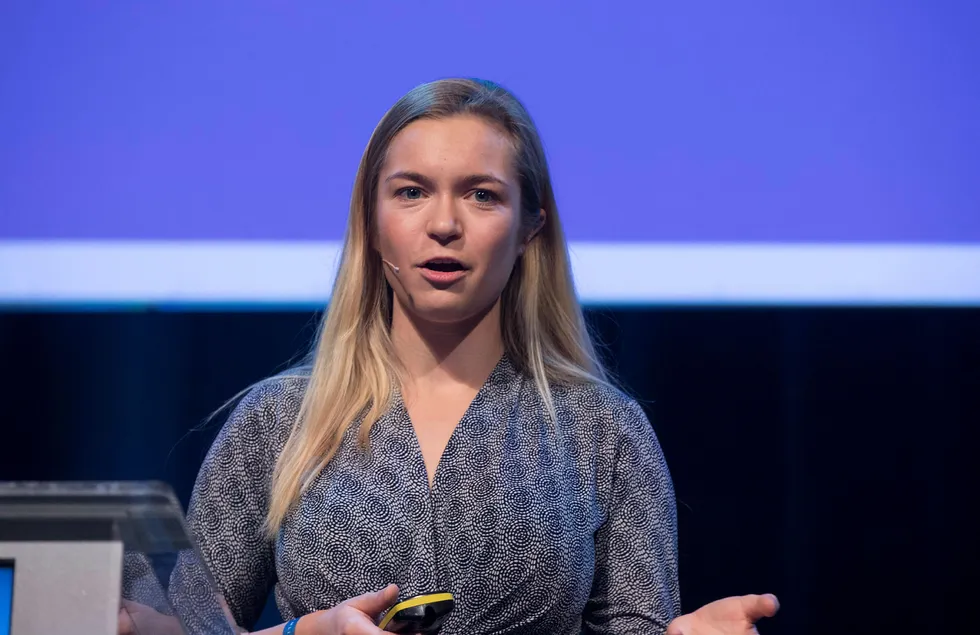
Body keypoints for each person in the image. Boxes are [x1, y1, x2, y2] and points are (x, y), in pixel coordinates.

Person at [121, 78, 778, 635]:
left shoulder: (603, 430)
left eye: (481, 194)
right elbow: (185, 625)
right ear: (372, 225)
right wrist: (299, 632)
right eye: (411, 192)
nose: (444, 224)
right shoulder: (279, 421)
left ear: (530, 227)